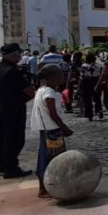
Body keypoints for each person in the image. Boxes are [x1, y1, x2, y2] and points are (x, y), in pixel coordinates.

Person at [0, 43, 35, 178]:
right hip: (12, 108)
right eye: (18, 54)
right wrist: (24, 98)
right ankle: (11, 167)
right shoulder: (12, 71)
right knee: (15, 138)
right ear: (14, 55)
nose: (20, 56)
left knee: (2, 136)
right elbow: (30, 91)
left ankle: (2, 164)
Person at [31, 64, 73, 198]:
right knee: (52, 159)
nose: (62, 76)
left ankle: (48, 186)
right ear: (52, 77)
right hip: (52, 130)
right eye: (60, 74)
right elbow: (53, 113)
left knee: (47, 157)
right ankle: (44, 188)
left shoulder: (42, 90)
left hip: (47, 129)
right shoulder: (49, 93)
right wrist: (64, 127)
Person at [78, 52, 102, 120]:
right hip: (96, 81)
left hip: (87, 81)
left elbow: (81, 77)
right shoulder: (98, 65)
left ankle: (89, 114)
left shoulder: (84, 66)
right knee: (97, 97)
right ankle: (99, 110)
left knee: (87, 99)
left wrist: (79, 86)